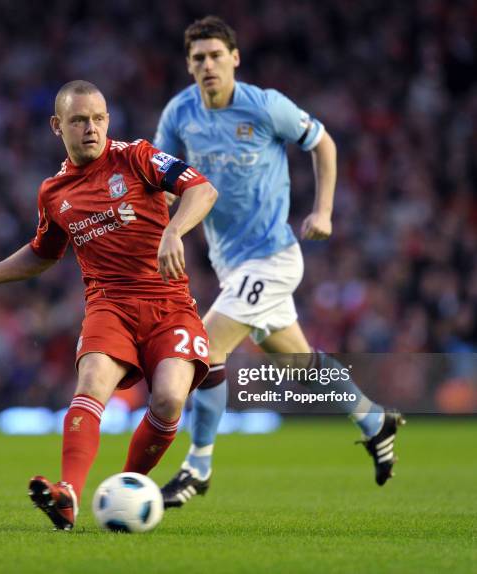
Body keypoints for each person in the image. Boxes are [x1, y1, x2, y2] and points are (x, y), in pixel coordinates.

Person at [0, 80, 218, 530]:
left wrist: (174, 231)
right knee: (91, 384)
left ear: (107, 119)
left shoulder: (138, 157)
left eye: (98, 118)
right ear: (58, 126)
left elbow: (202, 189)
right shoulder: (53, 193)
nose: (91, 128)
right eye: (78, 120)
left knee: (168, 399)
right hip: (109, 305)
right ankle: (67, 493)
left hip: (168, 302)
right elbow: (42, 254)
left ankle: (127, 488)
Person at [154, 16, 404, 508]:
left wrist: (324, 211)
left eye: (216, 56)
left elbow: (324, 143)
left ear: (235, 58)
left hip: (273, 257)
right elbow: (161, 185)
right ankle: (376, 420)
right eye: (199, 58)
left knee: (203, 347)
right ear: (188, 66)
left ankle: (196, 466)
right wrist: (160, 226)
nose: (208, 65)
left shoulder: (265, 106)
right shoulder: (179, 115)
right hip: (230, 265)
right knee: (300, 365)